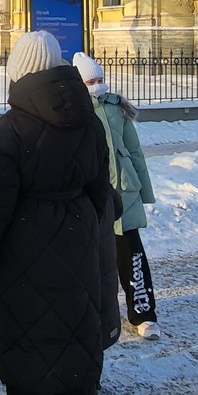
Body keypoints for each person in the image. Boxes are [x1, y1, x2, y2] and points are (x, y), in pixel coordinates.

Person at [0, 31, 109, 395]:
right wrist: (83, 225)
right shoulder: (87, 117)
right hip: (77, 234)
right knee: (72, 333)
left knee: (28, 341)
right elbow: (99, 184)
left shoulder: (14, 124)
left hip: (24, 243)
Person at [73, 52, 160, 339]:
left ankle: (144, 313)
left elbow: (134, 152)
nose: (98, 85)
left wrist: (144, 191)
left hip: (125, 192)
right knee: (94, 261)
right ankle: (95, 314)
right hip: (94, 197)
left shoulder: (116, 108)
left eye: (100, 79)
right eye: (90, 81)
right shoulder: (75, 110)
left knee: (132, 255)